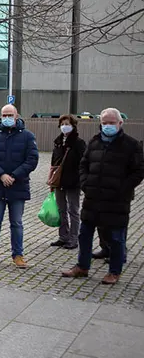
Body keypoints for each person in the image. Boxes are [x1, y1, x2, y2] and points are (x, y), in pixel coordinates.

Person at [62, 108, 144, 285]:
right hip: (93, 199)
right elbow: (83, 164)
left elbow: (138, 171)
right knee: (85, 235)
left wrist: (122, 189)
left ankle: (114, 271)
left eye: (111, 122)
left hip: (116, 201)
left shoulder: (131, 145)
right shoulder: (95, 141)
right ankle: (82, 266)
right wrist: (85, 184)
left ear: (120, 123)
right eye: (104, 123)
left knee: (115, 238)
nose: (107, 126)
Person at [0, 104, 39, 268]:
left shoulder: (28, 136)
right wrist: (1, 175)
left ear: (17, 116)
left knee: (16, 223)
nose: (7, 118)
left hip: (18, 187)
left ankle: (18, 255)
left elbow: (32, 160)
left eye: (10, 115)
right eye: (4, 115)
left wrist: (14, 176)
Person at [49, 114, 86, 249]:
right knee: (61, 209)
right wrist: (51, 179)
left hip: (73, 181)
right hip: (59, 181)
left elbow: (84, 162)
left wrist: (81, 179)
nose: (65, 126)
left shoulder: (78, 143)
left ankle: (74, 238)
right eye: (63, 124)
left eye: (67, 124)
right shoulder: (58, 142)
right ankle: (63, 236)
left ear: (73, 125)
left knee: (73, 210)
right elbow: (54, 162)